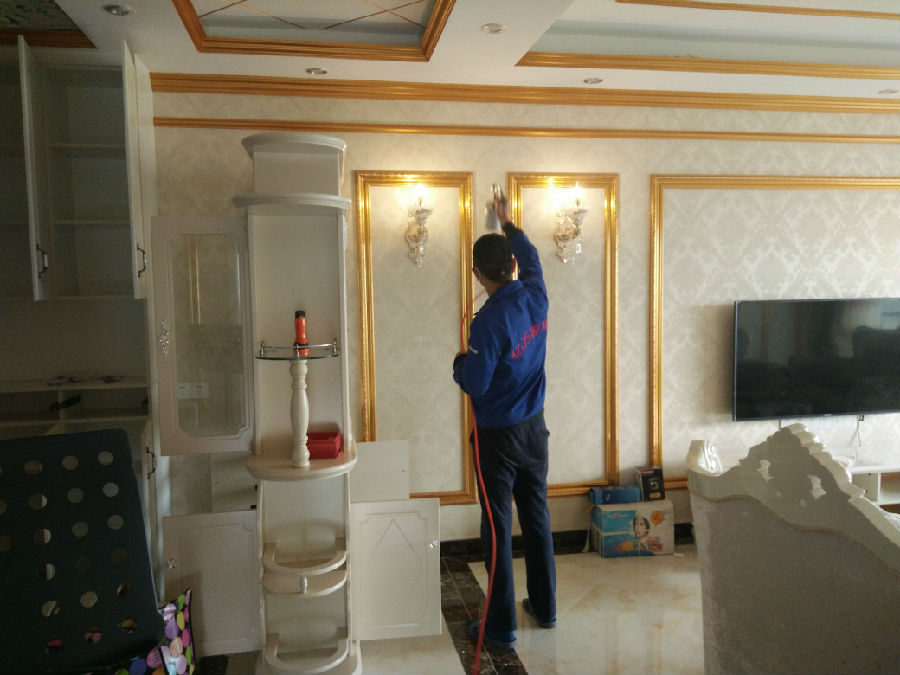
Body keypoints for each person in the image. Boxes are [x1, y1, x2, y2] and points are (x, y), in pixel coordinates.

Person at [452, 195, 556, 650]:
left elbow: (474, 383)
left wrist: (459, 362)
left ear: (478, 275)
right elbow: (533, 257)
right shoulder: (536, 294)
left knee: (496, 528)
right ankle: (545, 608)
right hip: (535, 431)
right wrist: (508, 222)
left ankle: (499, 627)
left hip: (497, 439)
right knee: (536, 517)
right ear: (511, 265)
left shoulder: (488, 323)